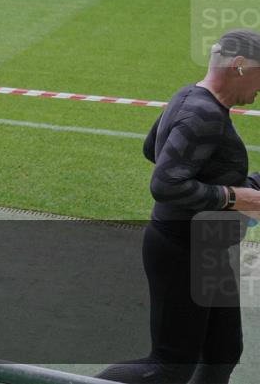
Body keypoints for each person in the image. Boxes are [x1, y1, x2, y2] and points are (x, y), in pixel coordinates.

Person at [97, 28, 260, 384]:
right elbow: (165, 183)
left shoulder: (187, 96)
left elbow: (151, 149)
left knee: (222, 352)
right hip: (182, 250)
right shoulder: (204, 115)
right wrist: (233, 197)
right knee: (171, 364)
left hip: (207, 250)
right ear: (241, 66)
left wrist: (237, 188)